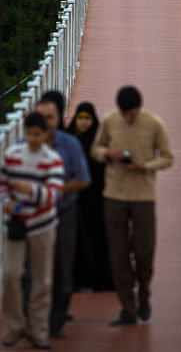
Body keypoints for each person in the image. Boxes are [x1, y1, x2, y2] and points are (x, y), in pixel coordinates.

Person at [91, 86, 175, 325]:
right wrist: (109, 153)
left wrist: (145, 166)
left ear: (139, 108)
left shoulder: (154, 123)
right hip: (114, 194)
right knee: (118, 256)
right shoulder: (109, 120)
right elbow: (95, 150)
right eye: (124, 113)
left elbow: (168, 157)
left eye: (131, 113)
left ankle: (144, 294)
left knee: (144, 252)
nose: (127, 117)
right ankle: (128, 309)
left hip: (143, 195)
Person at [0, 112, 64, 349]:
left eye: (37, 134)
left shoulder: (52, 159)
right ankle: (15, 326)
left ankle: (39, 330)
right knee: (10, 274)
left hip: (42, 225)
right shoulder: (12, 155)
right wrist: (7, 202)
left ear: (45, 134)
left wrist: (30, 190)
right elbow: (2, 184)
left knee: (42, 280)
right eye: (28, 134)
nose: (32, 139)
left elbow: (54, 194)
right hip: (16, 222)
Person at [37, 93, 91, 340]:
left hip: (63, 211)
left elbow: (82, 179)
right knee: (30, 268)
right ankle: (36, 321)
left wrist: (53, 192)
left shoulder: (70, 145)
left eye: (50, 117)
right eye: (41, 117)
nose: (45, 123)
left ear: (59, 118)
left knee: (61, 267)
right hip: (33, 213)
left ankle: (56, 320)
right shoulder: (24, 143)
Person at [68, 102, 115, 291]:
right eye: (80, 118)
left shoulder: (100, 142)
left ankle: (99, 279)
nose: (84, 123)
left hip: (96, 198)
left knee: (97, 236)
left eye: (87, 119)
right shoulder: (70, 140)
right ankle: (77, 279)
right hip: (75, 197)